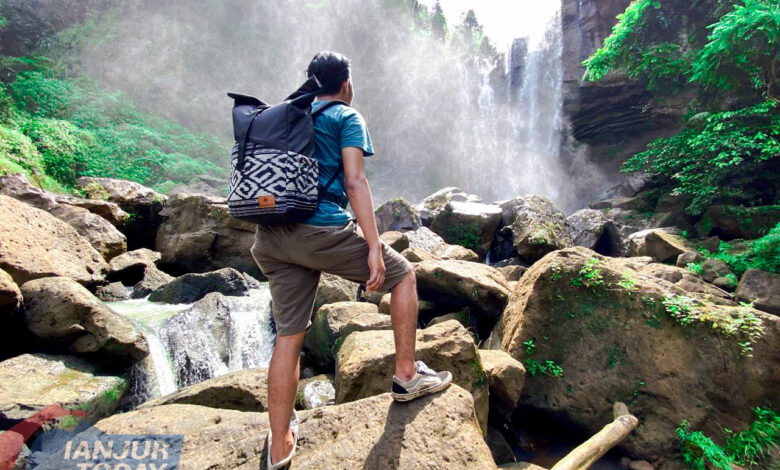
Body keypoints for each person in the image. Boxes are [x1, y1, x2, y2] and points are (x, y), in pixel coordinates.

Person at [250, 51, 452, 469]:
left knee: (289, 336)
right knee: (404, 276)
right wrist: (374, 244)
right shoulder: (345, 116)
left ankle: (280, 446)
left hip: (271, 236)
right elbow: (355, 180)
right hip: (319, 232)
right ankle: (407, 375)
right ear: (344, 83)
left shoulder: (289, 114)